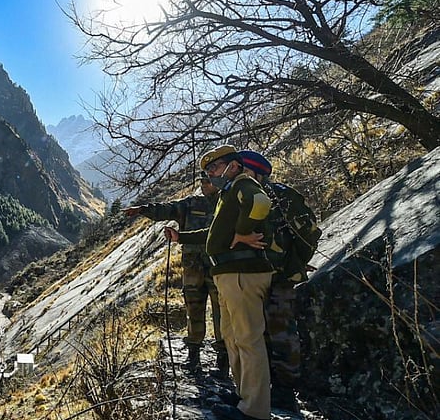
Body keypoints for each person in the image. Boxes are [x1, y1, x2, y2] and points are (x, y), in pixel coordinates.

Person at [164, 145, 275, 420]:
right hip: (229, 273)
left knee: (248, 339)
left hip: (242, 272)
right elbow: (214, 233)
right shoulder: (229, 193)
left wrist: (242, 232)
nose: (210, 175)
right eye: (207, 171)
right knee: (233, 337)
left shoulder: (243, 185)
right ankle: (243, 395)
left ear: (233, 166)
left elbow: (261, 204)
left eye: (214, 168)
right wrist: (181, 238)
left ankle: (255, 410)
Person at [235, 150, 320, 413]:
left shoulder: (281, 196)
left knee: (281, 330)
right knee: (255, 333)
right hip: (249, 275)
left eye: (242, 170)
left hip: (279, 277)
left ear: (255, 172)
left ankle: (285, 390)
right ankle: (260, 386)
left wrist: (294, 263)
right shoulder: (239, 196)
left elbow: (308, 233)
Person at [123, 173, 228, 374]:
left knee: (222, 313)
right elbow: (166, 209)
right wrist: (142, 210)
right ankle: (193, 356)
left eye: (207, 181)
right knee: (193, 308)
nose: (204, 185)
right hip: (193, 268)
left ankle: (223, 361)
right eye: (202, 181)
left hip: (218, 267)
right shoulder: (191, 204)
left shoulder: (227, 204)